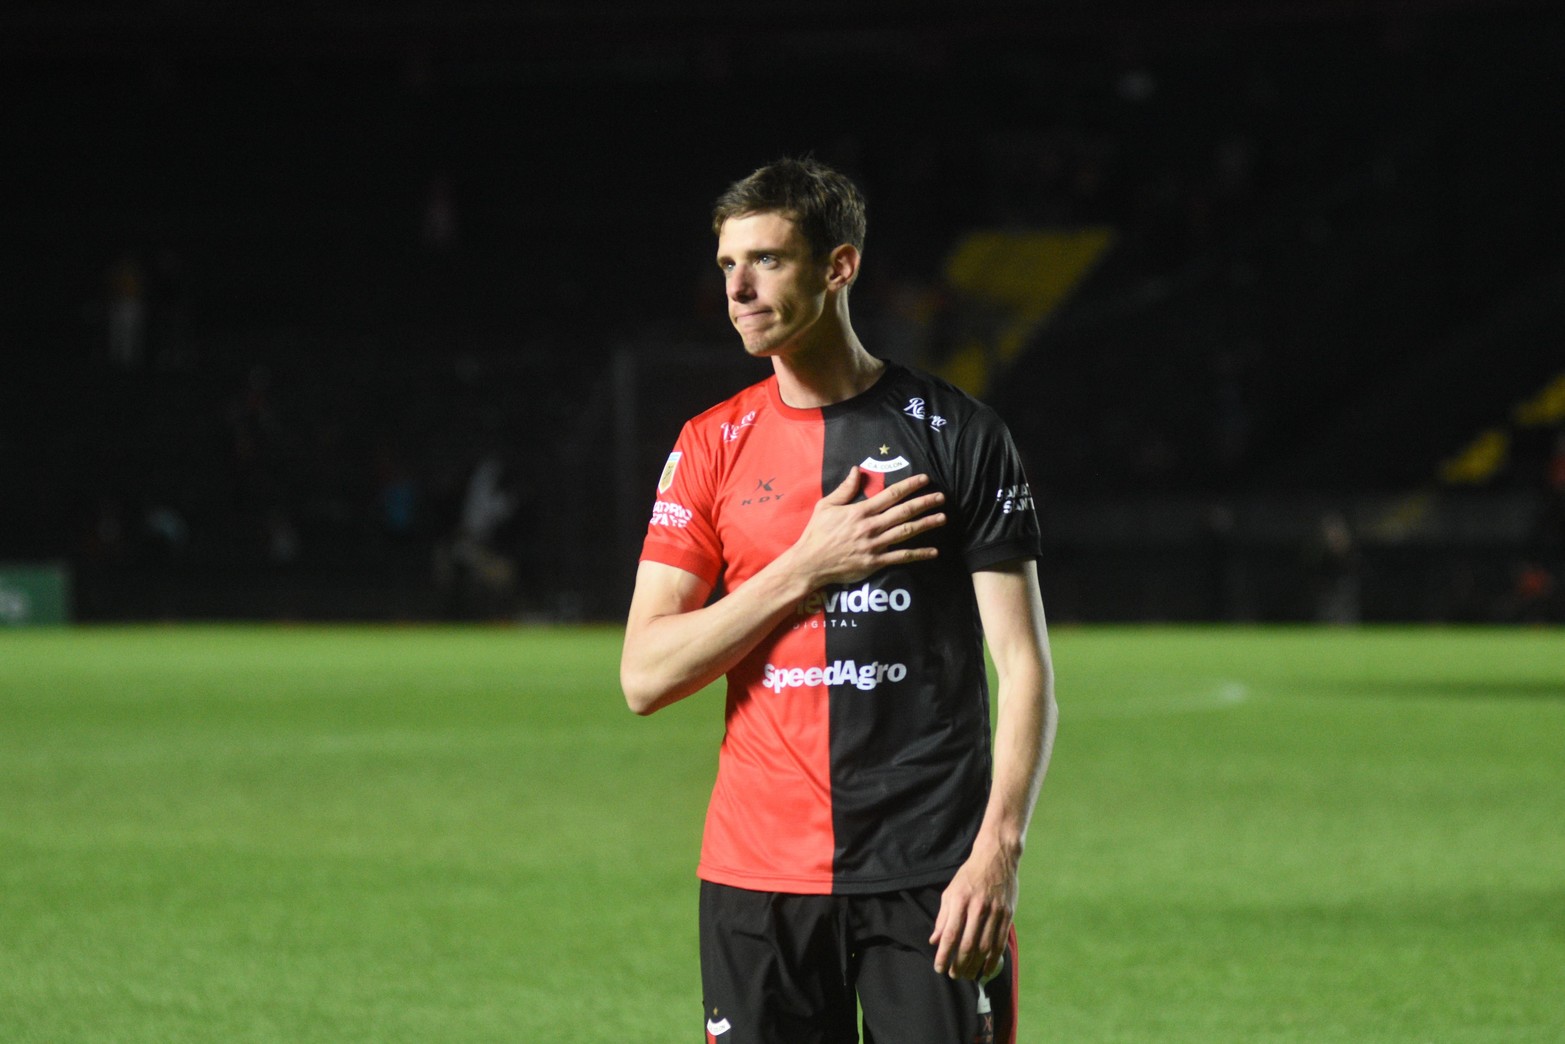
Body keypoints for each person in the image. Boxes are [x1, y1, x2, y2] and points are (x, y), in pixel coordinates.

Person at [621, 157, 1058, 1044]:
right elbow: (645, 674)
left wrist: (997, 853)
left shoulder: (959, 435)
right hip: (758, 879)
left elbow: (1023, 666)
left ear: (839, 267)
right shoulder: (709, 446)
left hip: (932, 874)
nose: (738, 289)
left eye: (767, 261)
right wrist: (801, 569)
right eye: (726, 265)